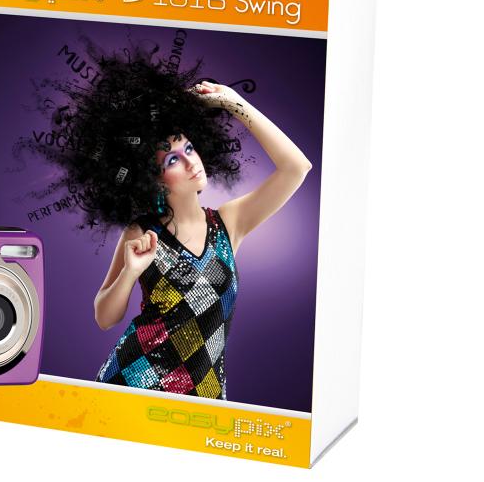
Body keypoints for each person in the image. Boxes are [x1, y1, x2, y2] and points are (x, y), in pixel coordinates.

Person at [22, 43, 311, 399]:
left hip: (205, 395)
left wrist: (234, 102)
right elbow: (104, 317)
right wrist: (130, 272)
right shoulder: (142, 231)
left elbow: (297, 167)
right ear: (154, 179)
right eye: (172, 160)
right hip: (134, 386)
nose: (190, 162)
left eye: (188, 148)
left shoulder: (229, 223)